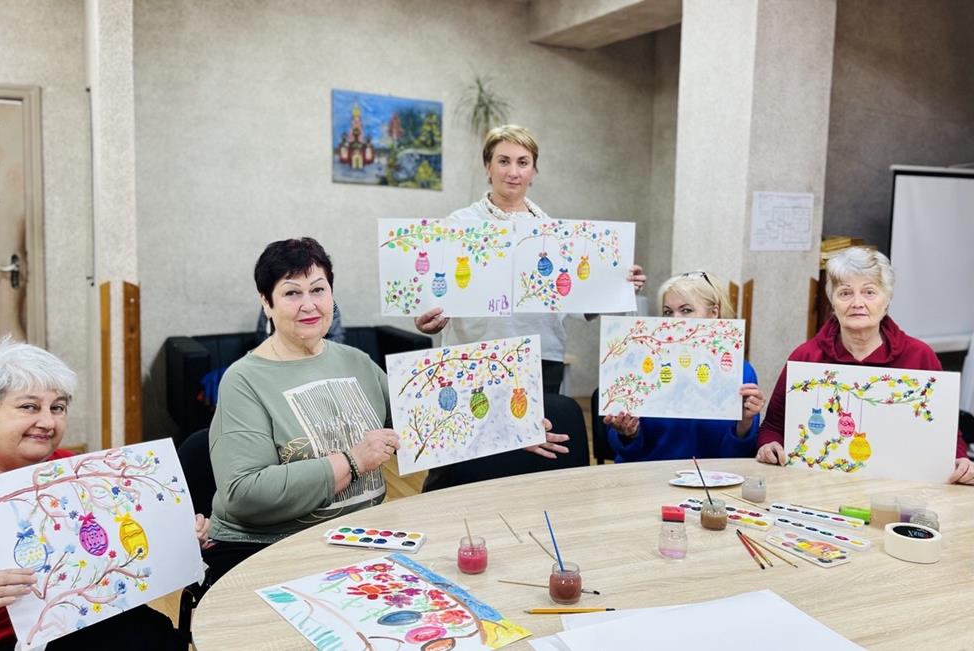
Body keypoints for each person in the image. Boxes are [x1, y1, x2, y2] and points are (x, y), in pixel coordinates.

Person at [0, 340, 207, 650]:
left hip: (87, 622)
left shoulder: (71, 469)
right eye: (29, 407)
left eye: (57, 408)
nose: (48, 422)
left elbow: (111, 552)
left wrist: (178, 539)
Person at [413, 124, 645, 463]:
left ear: (534, 171)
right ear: (488, 166)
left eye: (523, 162)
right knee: (473, 456)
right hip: (475, 358)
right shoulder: (457, 225)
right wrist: (426, 319)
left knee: (532, 457)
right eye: (503, 161)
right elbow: (430, 298)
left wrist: (618, 284)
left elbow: (577, 300)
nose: (513, 171)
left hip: (540, 357)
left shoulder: (556, 233)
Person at [205, 238, 401, 583]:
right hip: (267, 548)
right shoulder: (243, 380)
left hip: (359, 539)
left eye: (318, 290)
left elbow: (417, 424)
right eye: (292, 293)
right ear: (266, 303)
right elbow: (243, 492)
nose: (309, 305)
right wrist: (352, 461)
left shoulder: (357, 362)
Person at [756, 247, 974, 484]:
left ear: (887, 299)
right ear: (832, 301)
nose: (857, 303)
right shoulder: (806, 357)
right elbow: (773, 426)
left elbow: (947, 434)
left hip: (899, 490)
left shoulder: (920, 357)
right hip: (819, 486)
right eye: (845, 293)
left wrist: (960, 460)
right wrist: (769, 445)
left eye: (869, 292)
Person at [603, 271, 766, 461]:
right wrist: (628, 434)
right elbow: (623, 450)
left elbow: (737, 457)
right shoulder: (642, 366)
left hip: (711, 476)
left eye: (686, 310)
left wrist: (744, 425)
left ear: (714, 313)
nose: (675, 319)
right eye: (667, 312)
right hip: (648, 473)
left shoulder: (740, 373)